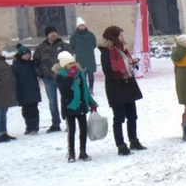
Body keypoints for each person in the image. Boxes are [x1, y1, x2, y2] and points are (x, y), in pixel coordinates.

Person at [99, 25, 146, 156]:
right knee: (119, 118)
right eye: (120, 35)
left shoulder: (122, 49)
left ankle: (133, 140)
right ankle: (121, 145)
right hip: (116, 88)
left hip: (128, 85)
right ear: (113, 37)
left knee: (132, 116)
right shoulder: (107, 52)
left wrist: (132, 64)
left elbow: (127, 63)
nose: (122, 37)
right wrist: (122, 72)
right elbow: (108, 70)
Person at [55, 51, 97, 163]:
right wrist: (70, 77)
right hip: (69, 106)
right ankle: (71, 152)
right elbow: (64, 90)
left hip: (81, 105)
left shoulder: (80, 74)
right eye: (69, 64)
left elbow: (85, 90)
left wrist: (90, 102)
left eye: (73, 62)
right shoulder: (60, 75)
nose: (72, 65)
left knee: (83, 129)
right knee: (72, 130)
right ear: (64, 65)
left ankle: (83, 151)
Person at [33, 25, 70, 133]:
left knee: (66, 100)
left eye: (55, 32)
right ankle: (55, 123)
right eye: (51, 32)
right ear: (47, 35)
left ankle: (69, 121)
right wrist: (41, 73)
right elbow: (36, 62)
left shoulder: (64, 46)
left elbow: (71, 60)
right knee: (52, 102)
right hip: (48, 79)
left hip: (63, 78)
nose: (53, 34)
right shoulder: (40, 48)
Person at [11, 44, 41, 135]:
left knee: (34, 109)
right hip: (23, 91)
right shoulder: (15, 67)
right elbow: (14, 81)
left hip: (33, 89)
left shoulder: (32, 64)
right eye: (24, 54)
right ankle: (29, 126)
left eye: (28, 53)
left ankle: (35, 126)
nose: (27, 55)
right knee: (26, 110)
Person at [69, 17, 98, 91]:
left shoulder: (90, 34)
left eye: (83, 25)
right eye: (80, 25)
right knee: (82, 75)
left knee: (91, 74)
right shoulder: (74, 36)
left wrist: (89, 49)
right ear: (77, 26)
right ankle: (84, 89)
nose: (82, 27)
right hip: (80, 59)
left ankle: (91, 88)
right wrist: (76, 52)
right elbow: (71, 46)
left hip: (90, 58)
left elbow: (94, 44)